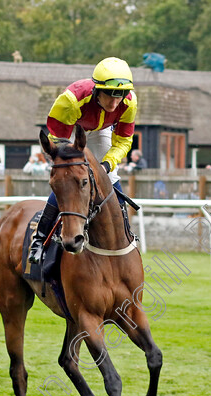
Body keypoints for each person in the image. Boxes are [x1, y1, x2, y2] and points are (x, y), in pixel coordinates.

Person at [28, 56, 138, 263]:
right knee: (70, 177)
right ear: (97, 89)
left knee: (111, 175)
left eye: (120, 96)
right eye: (110, 96)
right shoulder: (71, 99)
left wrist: (105, 165)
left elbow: (123, 142)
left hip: (100, 131)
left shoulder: (129, 103)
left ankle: (124, 236)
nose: (115, 104)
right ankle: (40, 238)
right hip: (68, 133)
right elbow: (56, 139)